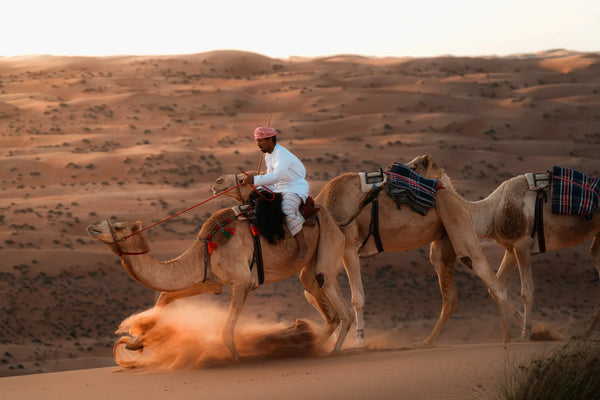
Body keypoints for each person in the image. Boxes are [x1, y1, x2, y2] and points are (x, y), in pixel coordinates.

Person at [242, 126, 309, 260]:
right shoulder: (268, 155)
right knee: (254, 198)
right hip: (278, 187)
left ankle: (303, 246)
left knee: (287, 208)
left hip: (295, 187)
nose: (258, 144)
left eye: (261, 141)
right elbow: (271, 176)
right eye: (257, 141)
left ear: (271, 139)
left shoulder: (282, 155)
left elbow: (277, 175)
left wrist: (254, 179)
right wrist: (258, 185)